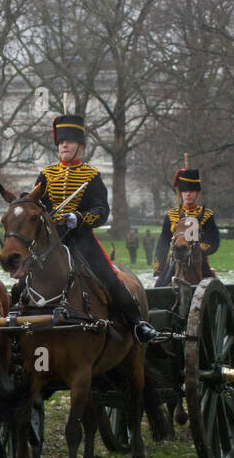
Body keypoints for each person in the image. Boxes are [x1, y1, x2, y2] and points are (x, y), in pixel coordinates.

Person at [34, 113, 158, 343]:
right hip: (52, 241)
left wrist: (79, 218)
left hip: (81, 239)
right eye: (61, 141)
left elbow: (102, 211)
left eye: (68, 141)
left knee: (109, 277)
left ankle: (136, 323)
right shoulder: (46, 175)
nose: (63, 145)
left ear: (80, 146)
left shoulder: (90, 176)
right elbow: (35, 206)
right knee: (25, 279)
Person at [152, 167, 219, 287]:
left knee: (215, 290)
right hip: (175, 261)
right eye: (185, 191)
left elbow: (213, 241)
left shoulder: (207, 215)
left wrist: (197, 251)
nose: (188, 194)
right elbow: (163, 243)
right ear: (181, 193)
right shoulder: (171, 215)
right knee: (158, 290)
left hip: (199, 262)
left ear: (197, 193)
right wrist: (158, 269)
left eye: (191, 191)